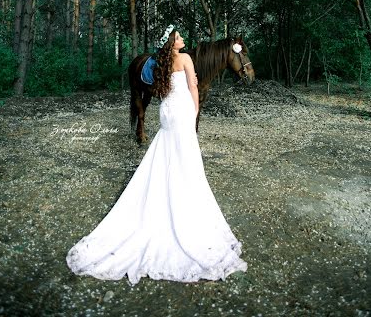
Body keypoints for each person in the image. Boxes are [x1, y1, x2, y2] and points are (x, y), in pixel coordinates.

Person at [66, 26, 247, 286]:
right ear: (173, 43)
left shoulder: (164, 61)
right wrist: (194, 112)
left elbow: (164, 91)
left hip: (166, 112)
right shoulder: (185, 59)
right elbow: (193, 88)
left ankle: (164, 188)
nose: (183, 39)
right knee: (186, 156)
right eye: (179, 37)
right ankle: (184, 192)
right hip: (181, 110)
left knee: (164, 151)